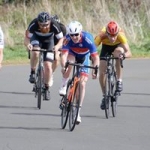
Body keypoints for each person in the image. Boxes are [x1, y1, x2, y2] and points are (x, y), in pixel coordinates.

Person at [59, 21, 99, 123]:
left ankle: (78, 111)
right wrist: (64, 67)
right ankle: (64, 85)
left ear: (80, 33)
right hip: (72, 54)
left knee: (82, 83)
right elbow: (63, 56)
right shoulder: (67, 39)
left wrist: (95, 70)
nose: (74, 37)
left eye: (76, 35)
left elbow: (95, 58)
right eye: (72, 35)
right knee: (69, 63)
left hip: (84, 56)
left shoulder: (87, 38)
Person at [24, 11, 64, 100]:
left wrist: (57, 46)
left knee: (48, 66)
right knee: (36, 51)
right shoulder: (33, 24)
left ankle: (46, 88)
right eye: (41, 25)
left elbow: (61, 39)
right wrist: (28, 45)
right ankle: (33, 72)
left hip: (49, 42)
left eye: (46, 24)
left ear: (49, 22)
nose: (44, 27)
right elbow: (27, 38)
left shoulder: (54, 25)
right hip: (36, 39)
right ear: (38, 23)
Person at [94, 21, 132, 110]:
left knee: (118, 54)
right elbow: (92, 49)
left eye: (115, 35)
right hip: (106, 47)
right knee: (102, 71)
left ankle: (119, 80)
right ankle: (105, 96)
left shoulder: (121, 35)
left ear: (117, 33)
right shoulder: (101, 35)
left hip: (117, 47)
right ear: (107, 33)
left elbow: (129, 53)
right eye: (110, 35)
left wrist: (124, 56)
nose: (113, 38)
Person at [50, 15, 66, 83]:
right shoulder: (48, 27)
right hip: (49, 42)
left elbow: (64, 41)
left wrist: (59, 48)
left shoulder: (62, 28)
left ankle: (51, 73)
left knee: (56, 58)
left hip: (58, 44)